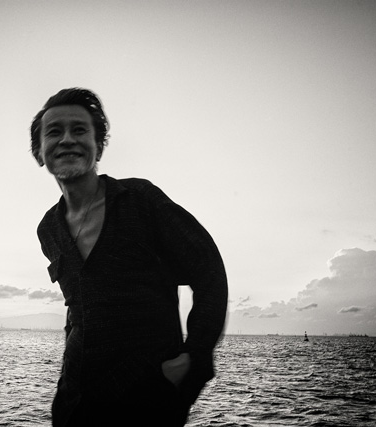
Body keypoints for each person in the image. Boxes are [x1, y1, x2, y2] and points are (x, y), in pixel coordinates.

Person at [31, 88, 228, 427]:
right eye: (54, 131)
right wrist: (67, 374)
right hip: (77, 403)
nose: (67, 140)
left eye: (79, 130)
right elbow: (77, 306)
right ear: (39, 152)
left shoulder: (140, 200)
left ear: (98, 146)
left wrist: (193, 358)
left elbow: (209, 270)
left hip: (150, 399)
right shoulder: (48, 228)